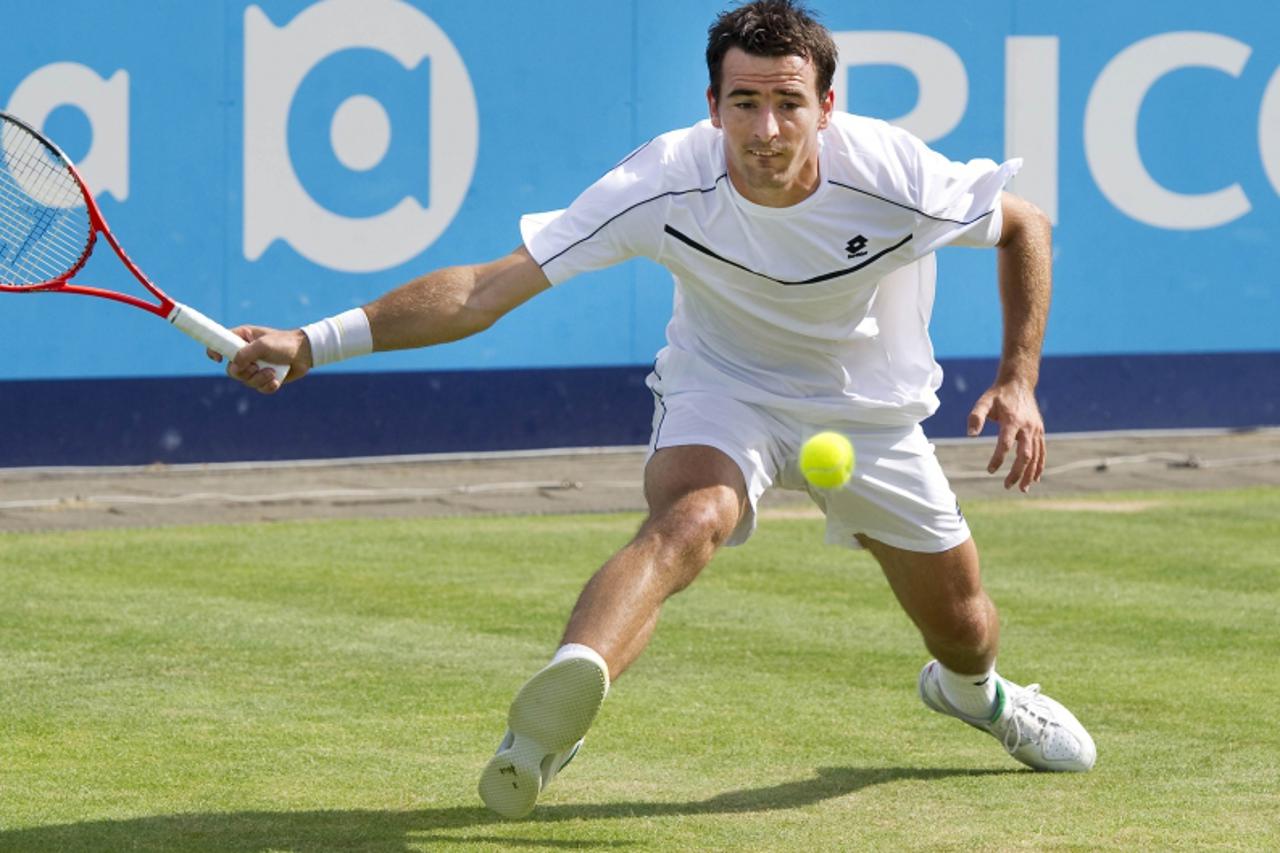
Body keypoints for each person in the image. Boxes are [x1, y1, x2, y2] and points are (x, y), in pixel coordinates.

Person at [218, 0, 1095, 820]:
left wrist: (1018, 379)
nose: (766, 129)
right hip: (725, 387)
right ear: (712, 105)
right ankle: (552, 715)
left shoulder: (896, 175)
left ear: (828, 105)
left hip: (866, 411)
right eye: (744, 103)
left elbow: (1027, 227)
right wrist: (313, 342)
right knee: (690, 516)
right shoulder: (664, 183)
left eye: (788, 103)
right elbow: (485, 289)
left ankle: (976, 694)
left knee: (967, 627)